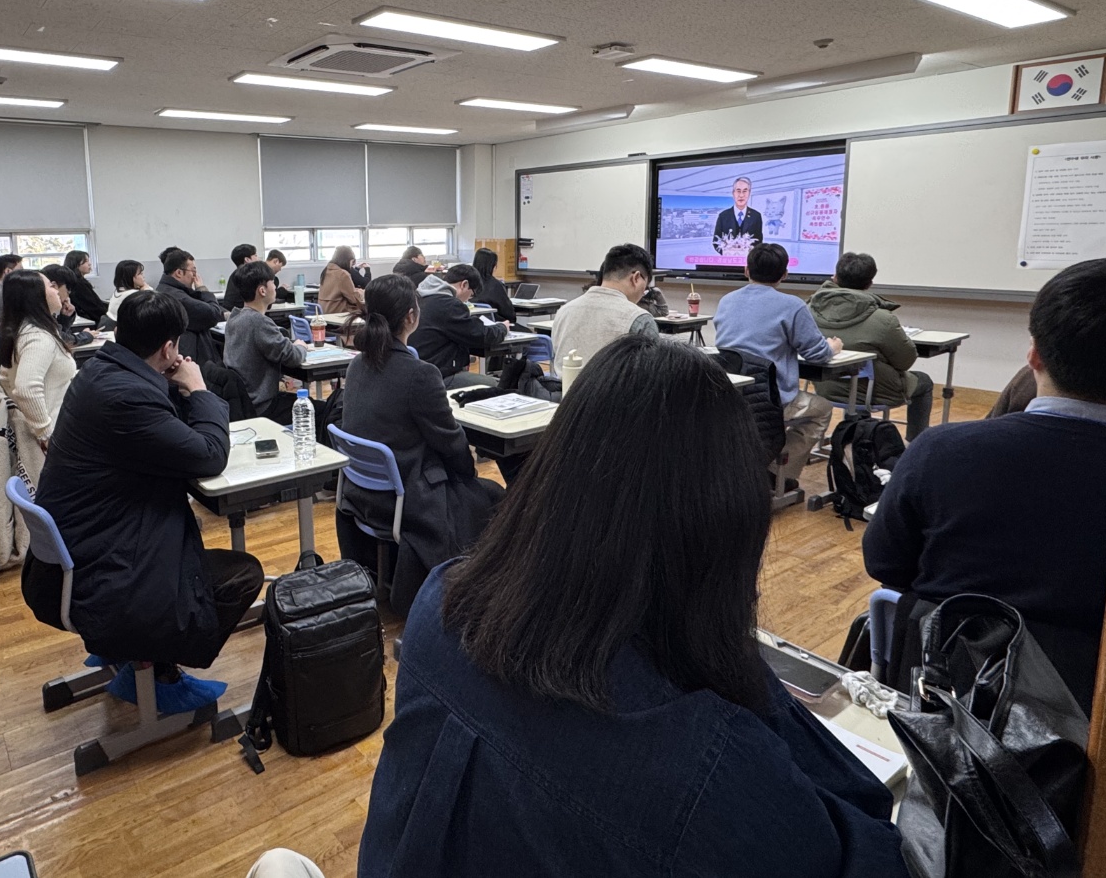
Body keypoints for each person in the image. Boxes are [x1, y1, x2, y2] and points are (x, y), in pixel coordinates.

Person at [358, 336, 907, 878]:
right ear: (726, 525)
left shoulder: (439, 604)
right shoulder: (706, 768)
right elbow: (874, 847)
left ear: (552, 472)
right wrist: (736, 665)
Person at [864, 258, 1106, 714]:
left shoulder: (940, 452)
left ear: (1034, 354)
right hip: (1090, 724)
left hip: (944, 704)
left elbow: (884, 562)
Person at [24, 291, 264, 712]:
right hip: (104, 576)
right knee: (243, 573)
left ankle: (128, 654)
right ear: (170, 347)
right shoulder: (126, 396)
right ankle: (156, 673)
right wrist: (198, 388)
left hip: (75, 557)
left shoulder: (100, 371)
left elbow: (166, 433)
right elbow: (209, 455)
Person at [335, 275, 504, 615]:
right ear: (411, 317)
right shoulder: (419, 374)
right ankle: (483, 593)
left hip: (360, 495)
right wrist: (467, 472)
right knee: (497, 495)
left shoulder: (357, 365)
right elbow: (452, 443)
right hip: (407, 500)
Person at [715, 243, 840, 486]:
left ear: (746, 270)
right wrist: (832, 347)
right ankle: (775, 474)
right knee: (822, 409)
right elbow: (816, 354)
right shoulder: (792, 305)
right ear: (785, 274)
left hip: (730, 395)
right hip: (771, 399)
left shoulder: (726, 301)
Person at [808, 252, 934, 439]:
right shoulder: (883, 319)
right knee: (924, 381)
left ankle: (854, 437)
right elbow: (906, 361)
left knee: (860, 377)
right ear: (869, 284)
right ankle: (915, 443)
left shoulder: (808, 309)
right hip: (873, 391)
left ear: (835, 278)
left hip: (824, 387)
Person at [223, 261, 321, 425]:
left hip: (244, 401)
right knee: (320, 410)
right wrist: (300, 346)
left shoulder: (235, 317)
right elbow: (293, 356)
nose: (275, 287)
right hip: (262, 406)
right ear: (262, 290)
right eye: (272, 283)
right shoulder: (258, 322)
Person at [0, 269, 76, 449]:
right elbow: (26, 389)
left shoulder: (23, 328)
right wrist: (46, 435)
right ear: (35, 296)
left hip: (51, 425)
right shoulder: (38, 337)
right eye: (50, 286)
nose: (56, 291)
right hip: (55, 433)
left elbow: (4, 377)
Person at [550, 243, 659, 367]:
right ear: (636, 278)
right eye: (646, 286)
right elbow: (652, 375)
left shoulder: (564, 311)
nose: (643, 293)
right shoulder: (640, 319)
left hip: (564, 386)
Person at [408, 264, 507, 388]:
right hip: (440, 376)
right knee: (498, 386)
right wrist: (502, 328)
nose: (467, 301)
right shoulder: (449, 305)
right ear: (464, 285)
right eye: (471, 295)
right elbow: (481, 335)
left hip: (417, 372)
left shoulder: (419, 298)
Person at [155, 246, 224, 364]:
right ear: (179, 273)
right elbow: (213, 314)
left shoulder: (166, 289)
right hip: (192, 359)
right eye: (193, 271)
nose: (195, 277)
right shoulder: (177, 297)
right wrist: (203, 289)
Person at [712, 175, 765, 253]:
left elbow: (759, 242)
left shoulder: (756, 216)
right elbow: (716, 241)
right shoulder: (723, 216)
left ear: (749, 193)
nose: (741, 195)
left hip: (748, 262)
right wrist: (728, 254)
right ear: (733, 193)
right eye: (738, 191)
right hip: (728, 261)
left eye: (745, 191)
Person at [470, 247, 517, 324]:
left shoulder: (467, 283)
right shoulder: (495, 285)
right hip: (495, 325)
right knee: (529, 332)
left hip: (472, 325)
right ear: (493, 266)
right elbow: (509, 315)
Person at [62, 250, 108, 324]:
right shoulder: (79, 284)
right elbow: (93, 307)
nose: (89, 264)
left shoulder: (79, 281)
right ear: (76, 264)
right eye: (86, 261)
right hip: (93, 320)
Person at [318, 245, 366, 316]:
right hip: (338, 312)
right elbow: (354, 299)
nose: (353, 265)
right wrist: (361, 293)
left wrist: (356, 291)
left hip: (325, 312)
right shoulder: (343, 274)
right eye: (353, 262)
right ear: (347, 260)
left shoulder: (326, 271)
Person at [107, 259, 151, 323]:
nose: (143, 276)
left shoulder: (119, 291)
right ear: (130, 277)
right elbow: (154, 302)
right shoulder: (133, 295)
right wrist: (147, 289)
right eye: (140, 274)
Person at [221, 244, 259, 310]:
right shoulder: (248, 275)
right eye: (255, 255)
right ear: (247, 259)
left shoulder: (235, 274)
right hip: (241, 313)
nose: (258, 258)